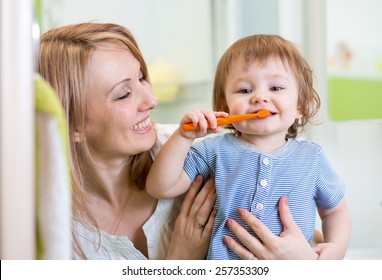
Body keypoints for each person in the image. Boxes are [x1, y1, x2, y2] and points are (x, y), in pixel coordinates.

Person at [146, 34, 351, 260]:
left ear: (300, 105)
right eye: (244, 90)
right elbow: (160, 188)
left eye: (275, 87)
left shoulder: (313, 158)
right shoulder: (212, 150)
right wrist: (183, 137)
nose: (260, 97)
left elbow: (335, 211)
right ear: (226, 106)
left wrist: (335, 250)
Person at [38, 22, 218, 259]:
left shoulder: (196, 154)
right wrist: (180, 259)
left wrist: (284, 254)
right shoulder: (44, 229)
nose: (151, 100)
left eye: (142, 79)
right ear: (73, 125)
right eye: (124, 94)